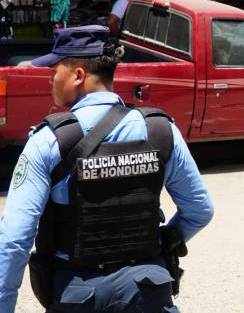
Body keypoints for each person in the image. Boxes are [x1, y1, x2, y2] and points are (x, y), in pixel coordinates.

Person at [0, 25, 214, 312]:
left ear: (78, 75)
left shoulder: (48, 141)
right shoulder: (161, 131)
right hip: (148, 287)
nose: (50, 77)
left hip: (78, 293)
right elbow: (200, 210)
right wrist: (165, 243)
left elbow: (15, 239)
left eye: (55, 69)